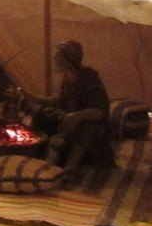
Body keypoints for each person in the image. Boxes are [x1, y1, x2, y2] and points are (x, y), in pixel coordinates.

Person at [43, 40, 111, 169]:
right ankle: (46, 163)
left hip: (92, 131)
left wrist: (75, 116)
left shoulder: (89, 77)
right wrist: (29, 96)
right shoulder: (67, 79)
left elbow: (100, 112)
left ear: (69, 60)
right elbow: (57, 101)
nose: (55, 59)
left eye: (58, 56)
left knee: (87, 128)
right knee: (43, 114)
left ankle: (69, 170)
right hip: (73, 124)